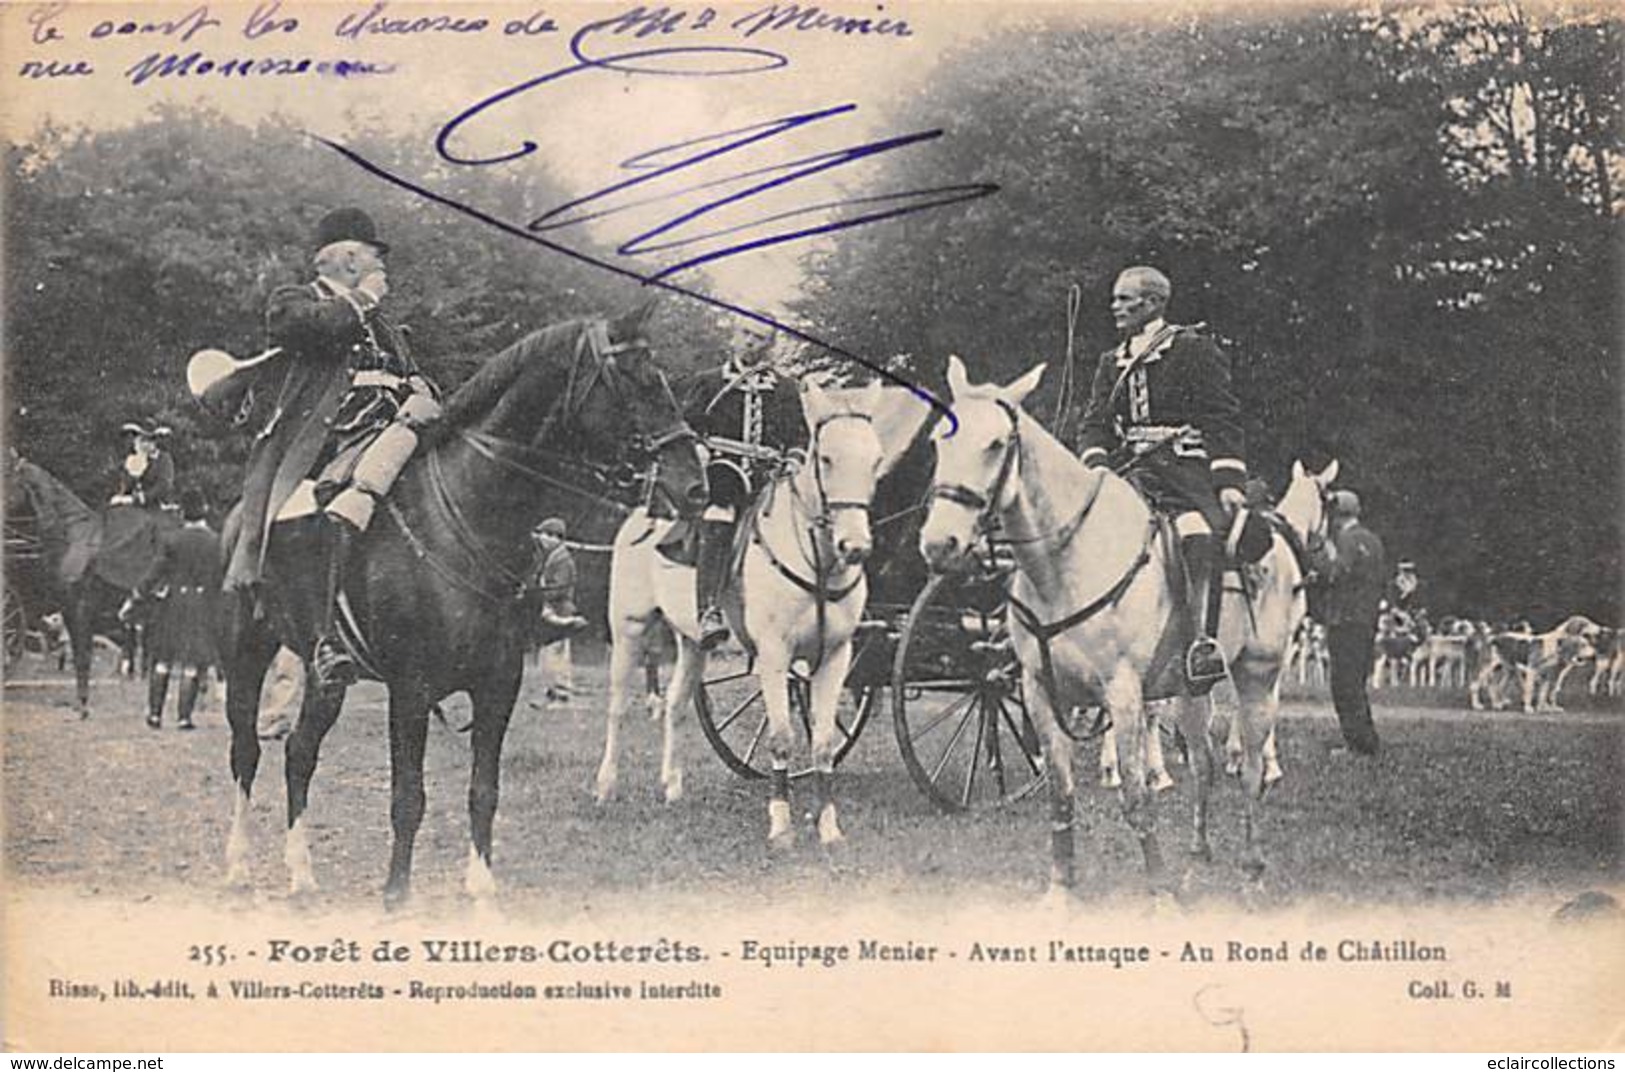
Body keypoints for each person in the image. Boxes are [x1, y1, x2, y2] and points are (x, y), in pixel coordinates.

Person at [221, 207, 441, 690]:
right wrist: (363, 299)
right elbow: (312, 328)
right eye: (373, 256)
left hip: (392, 436)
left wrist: (425, 392)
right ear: (345, 258)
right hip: (324, 441)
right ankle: (323, 641)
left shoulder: (384, 323)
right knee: (299, 514)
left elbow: (409, 372)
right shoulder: (294, 300)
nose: (383, 267)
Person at [1073, 265, 1249, 690]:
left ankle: (1199, 645)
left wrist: (1227, 479)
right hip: (1125, 472)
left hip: (1181, 475)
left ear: (1152, 303)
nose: (1114, 306)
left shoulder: (1192, 349)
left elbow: (1220, 416)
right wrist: (1096, 463)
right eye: (1114, 299)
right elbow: (1094, 422)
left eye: (1124, 299)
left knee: (1196, 536)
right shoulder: (1109, 361)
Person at [688, 323, 802, 650]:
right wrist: (699, 446)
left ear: (771, 346)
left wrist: (793, 458)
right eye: (746, 335)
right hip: (724, 471)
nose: (752, 343)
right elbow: (689, 426)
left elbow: (799, 435)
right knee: (719, 513)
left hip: (771, 476)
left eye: (761, 339)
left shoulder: (785, 388)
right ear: (734, 337)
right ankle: (708, 609)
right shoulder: (709, 382)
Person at [1311, 489, 1387, 756]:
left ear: (1336, 515)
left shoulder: (1347, 540)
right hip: (1366, 619)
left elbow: (1335, 573)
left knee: (1343, 685)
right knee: (1356, 683)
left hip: (1344, 619)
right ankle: (1365, 741)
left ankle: (1359, 744)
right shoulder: (1373, 541)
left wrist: (1317, 556)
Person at [144, 487, 222, 730]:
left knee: (163, 659)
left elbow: (155, 572)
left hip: (173, 602)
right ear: (205, 509)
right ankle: (183, 717)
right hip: (201, 605)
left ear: (182, 513)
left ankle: (155, 715)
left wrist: (139, 593)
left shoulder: (172, 539)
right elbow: (219, 578)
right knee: (192, 663)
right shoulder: (215, 541)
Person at [526, 517, 587, 704]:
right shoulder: (552, 557)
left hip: (561, 610)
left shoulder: (562, 559)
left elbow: (560, 588)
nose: (542, 539)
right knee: (548, 656)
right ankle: (550, 693)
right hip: (552, 609)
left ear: (556, 537)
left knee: (557, 655)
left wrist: (538, 595)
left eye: (545, 535)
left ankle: (561, 695)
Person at [111, 421, 176, 508]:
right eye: (141, 439)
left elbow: (163, 485)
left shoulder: (163, 460)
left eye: (150, 439)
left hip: (154, 507)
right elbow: (126, 483)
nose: (145, 443)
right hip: (128, 506)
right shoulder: (131, 459)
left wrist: (141, 498)